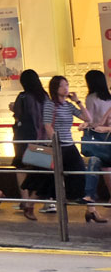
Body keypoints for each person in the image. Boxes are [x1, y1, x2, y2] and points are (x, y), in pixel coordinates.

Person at [42, 75, 100, 223]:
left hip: (69, 146)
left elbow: (88, 119)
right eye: (63, 86)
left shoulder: (68, 105)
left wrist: (78, 101)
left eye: (67, 85)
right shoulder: (50, 104)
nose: (66, 88)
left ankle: (91, 210)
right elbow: (47, 125)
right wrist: (55, 142)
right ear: (55, 88)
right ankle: (30, 205)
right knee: (47, 180)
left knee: (82, 175)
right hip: (58, 146)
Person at [12, 68, 48, 221]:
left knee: (21, 168)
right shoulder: (44, 97)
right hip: (42, 139)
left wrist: (12, 108)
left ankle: (26, 201)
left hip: (24, 139)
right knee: (43, 172)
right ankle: (32, 202)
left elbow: (18, 116)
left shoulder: (23, 96)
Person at [82, 70, 111, 209]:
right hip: (108, 133)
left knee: (103, 166)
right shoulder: (108, 97)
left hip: (99, 136)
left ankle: (92, 199)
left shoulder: (91, 98)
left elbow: (90, 119)